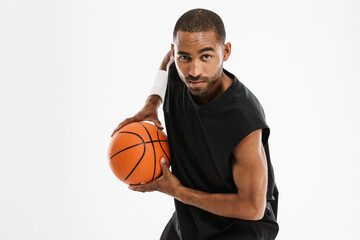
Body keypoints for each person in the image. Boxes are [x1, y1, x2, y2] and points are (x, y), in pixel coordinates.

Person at [111, 8, 279, 240]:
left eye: (206, 56)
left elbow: (252, 207)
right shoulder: (179, 73)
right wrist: (153, 102)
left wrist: (177, 192)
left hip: (240, 229)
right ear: (175, 52)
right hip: (193, 216)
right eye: (185, 57)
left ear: (226, 51)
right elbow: (167, 61)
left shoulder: (243, 120)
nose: (194, 71)